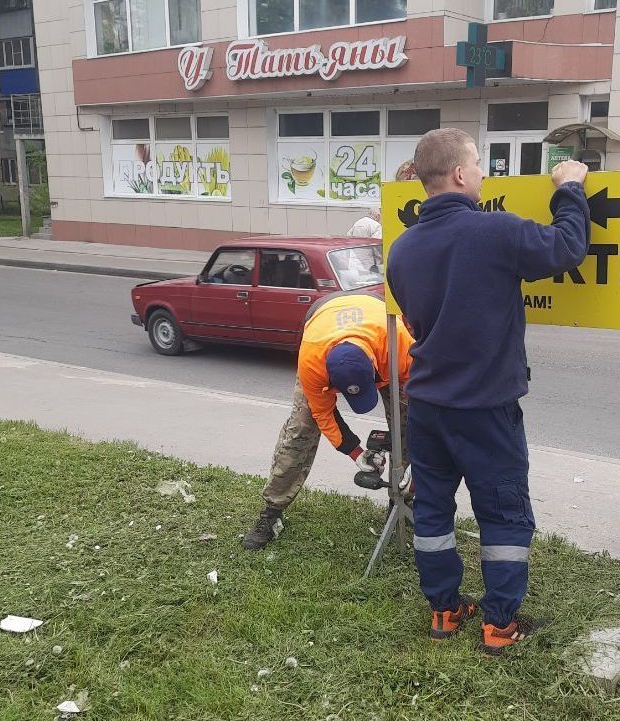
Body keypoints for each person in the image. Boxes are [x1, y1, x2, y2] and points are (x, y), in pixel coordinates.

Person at [386, 128, 591, 654]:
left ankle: (445, 610)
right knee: (503, 513)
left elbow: (415, 320)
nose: (483, 172)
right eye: (478, 163)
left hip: (427, 403)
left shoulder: (402, 249)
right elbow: (567, 247)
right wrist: (569, 187)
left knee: (432, 510)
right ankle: (500, 624)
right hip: (484, 408)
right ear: (458, 174)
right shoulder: (495, 231)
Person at [242, 290, 412, 550]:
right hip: (321, 321)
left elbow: (427, 405)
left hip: (375, 318)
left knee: (408, 417)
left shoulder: (399, 344)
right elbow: (323, 413)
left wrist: (420, 459)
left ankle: (402, 503)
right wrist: (355, 452)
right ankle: (271, 511)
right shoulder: (312, 362)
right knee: (300, 431)